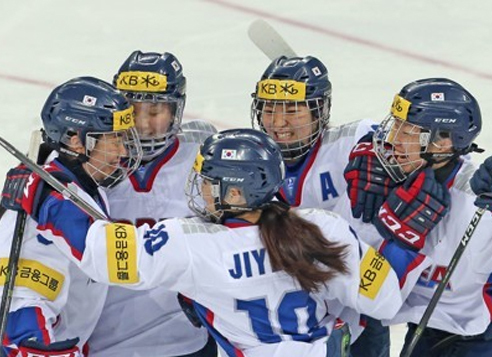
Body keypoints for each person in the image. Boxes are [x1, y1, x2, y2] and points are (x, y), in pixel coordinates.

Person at [30, 128, 431, 357]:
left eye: (209, 181)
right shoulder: (321, 227)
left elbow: (103, 254)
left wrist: (46, 196)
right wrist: (404, 239)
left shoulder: (194, 245)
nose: (200, 188)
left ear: (236, 194)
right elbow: (385, 300)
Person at [250, 55, 390, 356]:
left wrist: (380, 150)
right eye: (269, 108)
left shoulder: (350, 143)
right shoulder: (248, 158)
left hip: (358, 309)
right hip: (286, 320)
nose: (278, 123)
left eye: (292, 110)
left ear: (320, 111)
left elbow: (407, 143)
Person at [347, 77, 492, 356]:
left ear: (444, 141)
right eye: (395, 126)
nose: (392, 140)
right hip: (423, 330)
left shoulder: (478, 202)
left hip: (478, 340)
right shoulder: (380, 179)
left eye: (408, 132)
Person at [87, 50, 218, 357]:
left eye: (155, 110)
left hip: (187, 339)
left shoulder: (203, 152)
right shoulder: (90, 160)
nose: (142, 124)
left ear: (176, 110)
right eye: (132, 109)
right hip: (107, 339)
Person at [0, 76, 142, 355]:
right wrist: (35, 347)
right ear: (77, 141)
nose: (123, 151)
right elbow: (21, 302)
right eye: (114, 139)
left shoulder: (76, 184)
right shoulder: (42, 208)